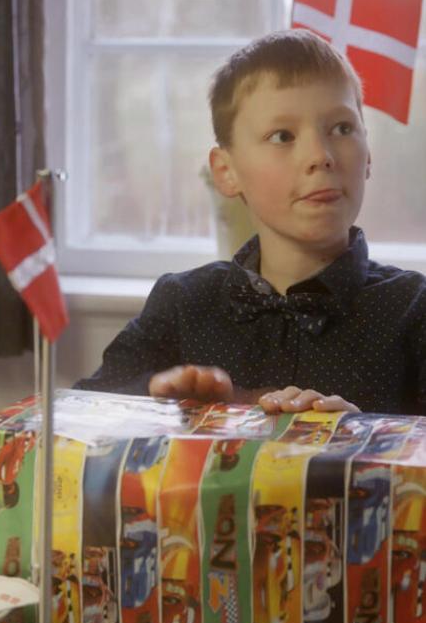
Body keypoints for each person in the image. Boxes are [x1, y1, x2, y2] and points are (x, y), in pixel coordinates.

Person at [75, 29, 426, 416]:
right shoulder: (182, 303)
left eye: (342, 128)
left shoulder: (415, 309)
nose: (320, 155)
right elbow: (82, 413)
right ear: (226, 172)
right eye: (282, 136)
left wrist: (369, 437)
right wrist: (155, 401)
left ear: (368, 152)